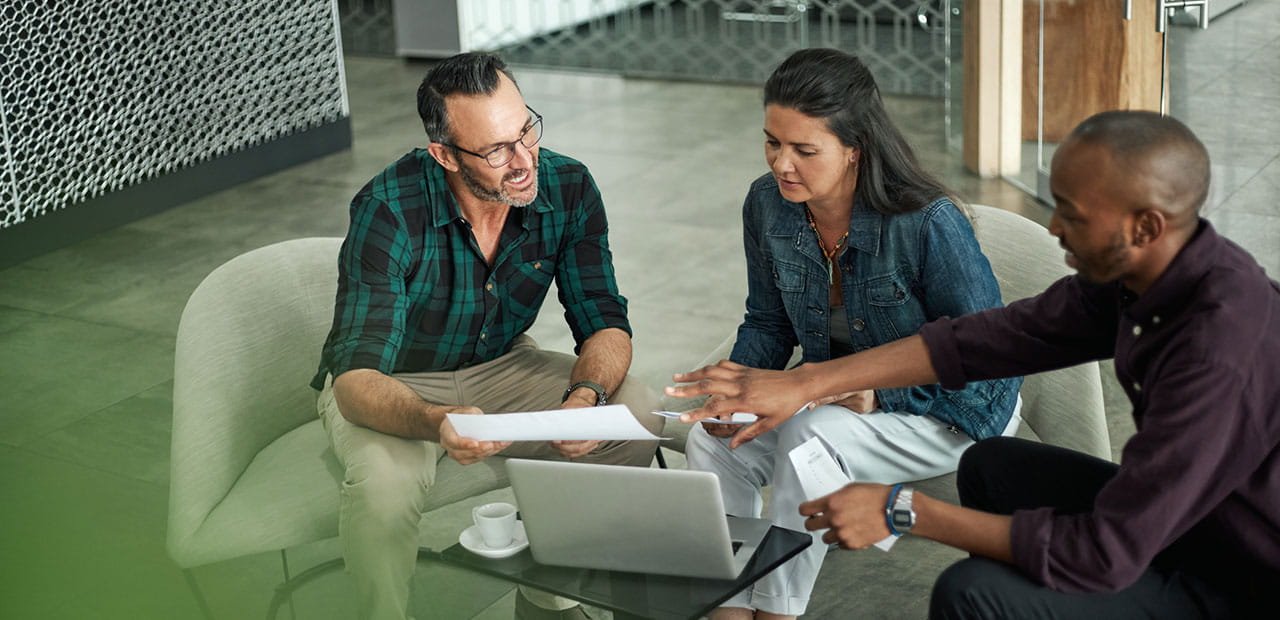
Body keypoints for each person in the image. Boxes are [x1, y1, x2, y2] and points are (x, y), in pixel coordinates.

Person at [668, 110, 1279, 618]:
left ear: (1146, 225)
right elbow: (985, 339)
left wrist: (905, 510)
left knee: (970, 595)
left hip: (1239, 573)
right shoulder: (1143, 277)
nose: (1053, 226)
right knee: (994, 467)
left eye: (1071, 212)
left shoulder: (1217, 351)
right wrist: (805, 381)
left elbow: (1104, 552)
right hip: (1192, 516)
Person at [310, 52, 663, 620]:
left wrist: (584, 399)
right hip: (393, 381)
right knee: (383, 490)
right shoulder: (388, 209)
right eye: (497, 149)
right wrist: (433, 420)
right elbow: (355, 380)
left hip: (500, 366)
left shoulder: (567, 186)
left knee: (635, 409)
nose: (524, 160)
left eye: (526, 130)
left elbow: (605, 322)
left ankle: (548, 595)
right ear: (444, 154)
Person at [680, 48, 1023, 620]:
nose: (781, 165)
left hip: (952, 407)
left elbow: (989, 366)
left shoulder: (927, 222)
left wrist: (881, 395)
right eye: (772, 142)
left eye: (804, 150)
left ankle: (778, 610)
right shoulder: (768, 205)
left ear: (854, 150)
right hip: (830, 393)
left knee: (812, 436)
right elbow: (767, 321)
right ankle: (728, 606)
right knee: (713, 440)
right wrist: (736, 390)